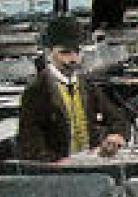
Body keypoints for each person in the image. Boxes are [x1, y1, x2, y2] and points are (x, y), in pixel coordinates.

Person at [16, 16, 128, 161]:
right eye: (65, 53)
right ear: (48, 53)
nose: (74, 59)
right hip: (56, 173)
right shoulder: (37, 90)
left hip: (91, 165)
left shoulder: (86, 85)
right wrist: (61, 163)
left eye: (77, 52)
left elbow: (117, 119)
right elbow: (30, 147)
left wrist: (116, 136)